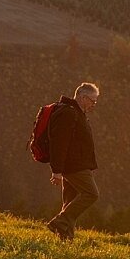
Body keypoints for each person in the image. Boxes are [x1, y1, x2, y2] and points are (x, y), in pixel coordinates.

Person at [46, 82, 100, 240]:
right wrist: (56, 171)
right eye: (92, 100)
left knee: (70, 201)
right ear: (83, 97)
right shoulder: (69, 113)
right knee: (91, 194)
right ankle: (59, 222)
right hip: (74, 166)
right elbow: (59, 143)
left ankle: (66, 237)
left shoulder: (76, 112)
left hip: (75, 165)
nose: (94, 105)